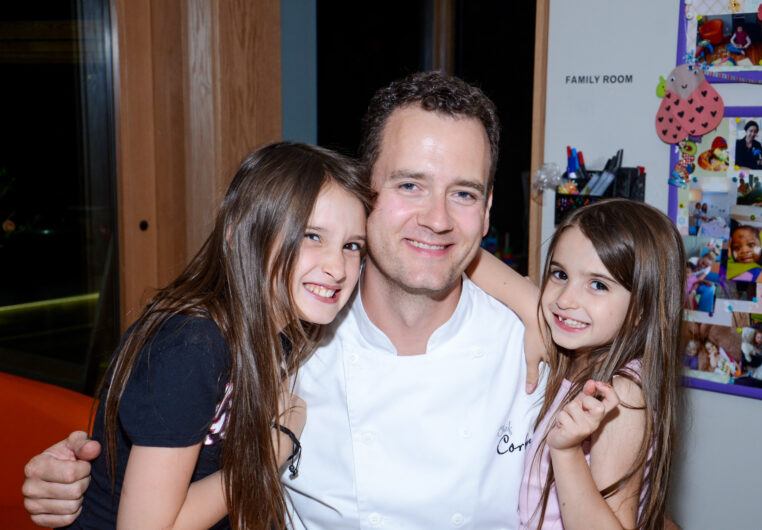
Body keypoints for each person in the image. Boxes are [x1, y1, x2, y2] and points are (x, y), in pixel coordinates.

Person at [23, 72, 547, 528]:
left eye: (463, 193)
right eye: (410, 185)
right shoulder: (289, 334)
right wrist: (79, 475)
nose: (437, 218)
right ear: (367, 196)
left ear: (487, 209)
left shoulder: (538, 349)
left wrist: (531, 301)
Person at [43, 142, 373, 529]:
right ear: (240, 234)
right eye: (312, 236)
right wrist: (274, 449)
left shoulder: (282, 333)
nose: (338, 267)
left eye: (352, 246)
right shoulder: (192, 346)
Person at [468, 199, 684, 529]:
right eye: (560, 274)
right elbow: (461, 254)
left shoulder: (622, 395)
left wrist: (567, 451)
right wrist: (528, 303)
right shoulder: (574, 352)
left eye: (598, 285)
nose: (566, 299)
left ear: (642, 309)